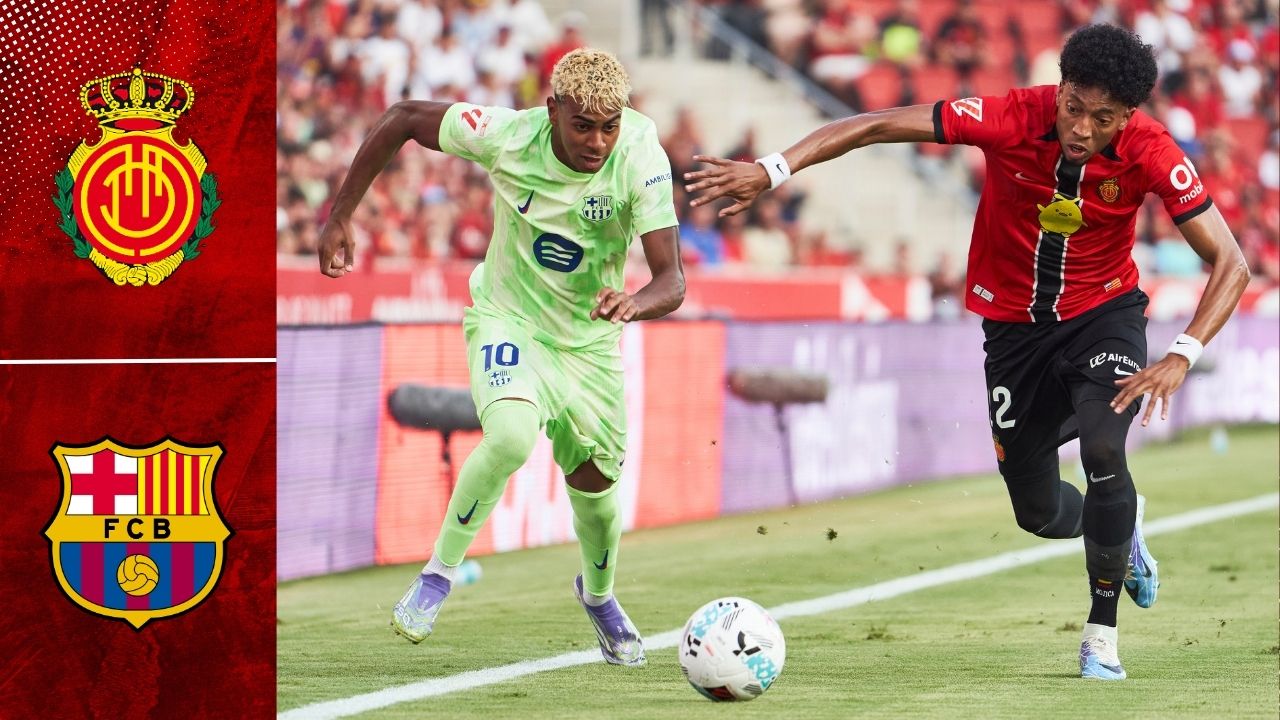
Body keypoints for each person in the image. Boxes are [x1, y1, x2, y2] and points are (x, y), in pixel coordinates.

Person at [685, 24, 1250, 680]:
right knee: (1036, 512)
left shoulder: (1151, 150)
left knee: (1103, 449)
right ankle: (1122, 529)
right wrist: (772, 168)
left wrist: (1181, 351)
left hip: (1104, 317)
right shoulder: (1010, 116)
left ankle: (1100, 636)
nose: (1080, 129)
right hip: (1012, 332)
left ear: (1127, 116)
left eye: (1102, 119)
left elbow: (1230, 260)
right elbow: (873, 125)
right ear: (1059, 89)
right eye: (1072, 107)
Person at [317, 48, 684, 666]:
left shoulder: (641, 156)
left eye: (610, 126)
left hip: (589, 343)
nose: (598, 141)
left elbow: (671, 281)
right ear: (552, 112)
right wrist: (340, 214)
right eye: (584, 125)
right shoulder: (508, 136)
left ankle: (598, 597)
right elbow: (404, 116)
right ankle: (437, 575)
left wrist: (634, 303)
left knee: (597, 488)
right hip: (507, 317)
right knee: (512, 435)